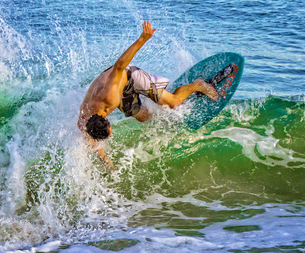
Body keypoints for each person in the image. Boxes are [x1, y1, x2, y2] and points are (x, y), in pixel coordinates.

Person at [77, 21, 218, 168]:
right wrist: (107, 163)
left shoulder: (109, 98)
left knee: (174, 103)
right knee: (143, 117)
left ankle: (197, 85)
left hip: (129, 76)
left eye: (109, 132)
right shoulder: (84, 122)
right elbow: (91, 141)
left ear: (106, 120)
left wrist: (142, 39)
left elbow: (119, 66)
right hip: (120, 89)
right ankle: (157, 99)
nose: (111, 135)